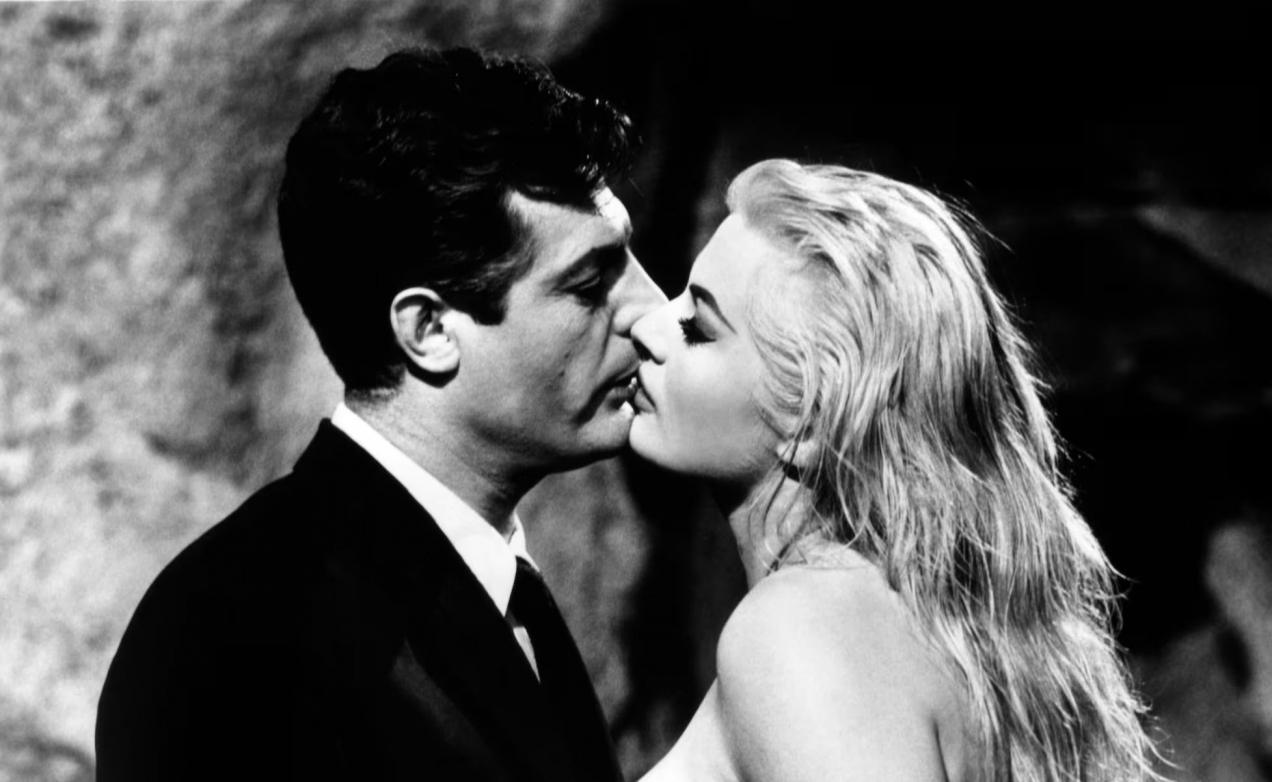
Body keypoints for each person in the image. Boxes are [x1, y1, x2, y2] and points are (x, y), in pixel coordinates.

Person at [95, 47, 662, 782]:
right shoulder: (243, 631)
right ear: (429, 330)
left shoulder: (493, 586)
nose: (652, 310)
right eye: (589, 285)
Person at [628, 159, 1163, 781]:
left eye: (697, 327)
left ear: (811, 423)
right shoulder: (930, 629)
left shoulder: (801, 632)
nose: (647, 327)